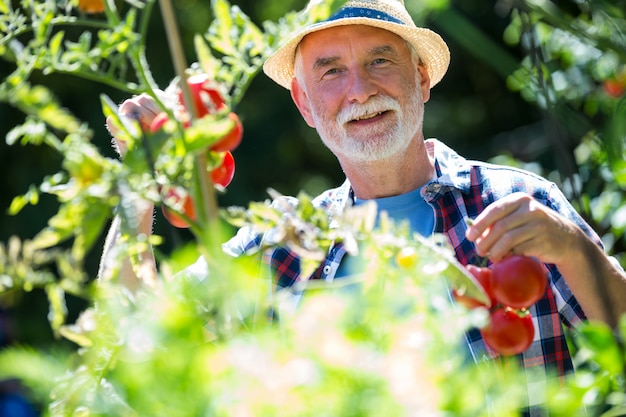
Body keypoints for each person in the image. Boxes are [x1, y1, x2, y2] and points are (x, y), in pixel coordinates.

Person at [101, 0, 626, 414]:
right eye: (330, 72)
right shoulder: (281, 247)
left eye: (379, 60)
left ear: (421, 78)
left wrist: (577, 252)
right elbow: (132, 332)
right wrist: (137, 182)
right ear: (305, 104)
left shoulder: (517, 206)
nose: (360, 90)